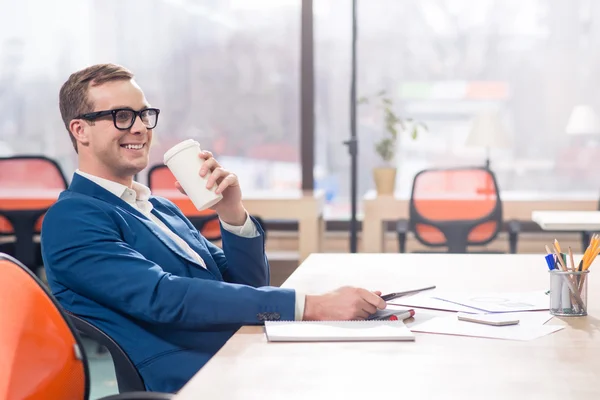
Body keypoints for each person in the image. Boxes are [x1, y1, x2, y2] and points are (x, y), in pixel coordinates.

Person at [41, 63, 386, 393]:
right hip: (198, 378)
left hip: (243, 355)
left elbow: (247, 285)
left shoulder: (160, 207)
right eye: (121, 116)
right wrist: (312, 305)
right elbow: (163, 297)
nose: (140, 128)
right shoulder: (73, 218)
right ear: (80, 130)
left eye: (144, 115)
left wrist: (232, 213)